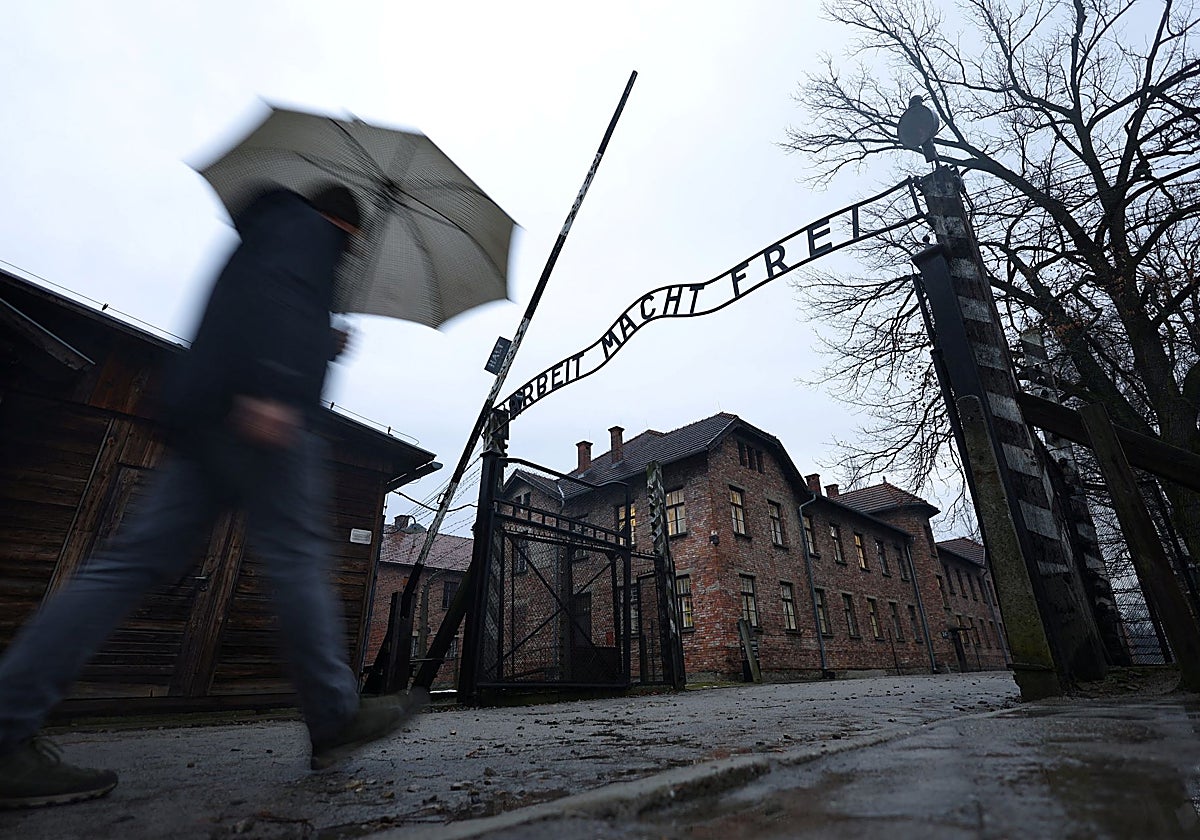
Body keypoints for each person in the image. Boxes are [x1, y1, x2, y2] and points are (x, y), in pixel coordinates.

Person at [0, 184, 425, 809]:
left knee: (129, 563)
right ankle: (335, 718)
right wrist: (277, 383)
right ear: (350, 226)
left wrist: (317, 339)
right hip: (260, 414)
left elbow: (259, 303)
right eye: (357, 241)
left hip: (210, 410)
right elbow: (271, 298)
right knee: (299, 559)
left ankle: (7, 727)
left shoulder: (274, 231)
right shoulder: (304, 231)